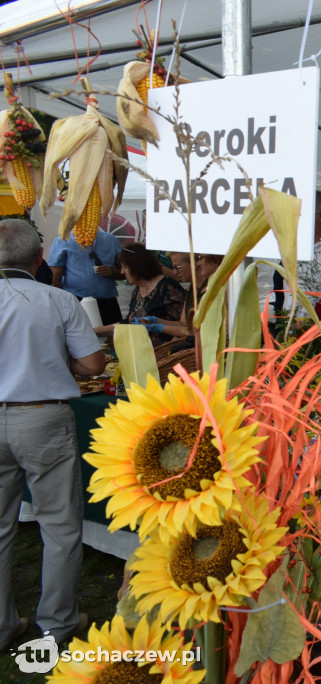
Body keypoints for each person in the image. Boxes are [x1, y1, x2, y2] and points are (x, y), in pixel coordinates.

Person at [0, 218, 103, 649]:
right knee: (59, 525)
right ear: (39, 257)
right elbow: (94, 366)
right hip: (42, 416)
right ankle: (55, 625)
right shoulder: (58, 300)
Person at [94, 242, 185, 344]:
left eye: (125, 267)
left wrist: (158, 324)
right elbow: (128, 323)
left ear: (136, 266)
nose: (122, 272)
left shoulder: (167, 287)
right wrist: (94, 331)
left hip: (167, 353)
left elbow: (184, 326)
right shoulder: (138, 290)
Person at [138, 252, 221, 341]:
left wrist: (160, 327)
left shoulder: (211, 288)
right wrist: (156, 320)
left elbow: (197, 330)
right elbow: (183, 324)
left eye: (178, 267)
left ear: (194, 263)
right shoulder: (190, 288)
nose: (175, 272)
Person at [49, 228, 123, 325]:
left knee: (113, 337)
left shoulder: (111, 240)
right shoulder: (63, 241)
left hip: (107, 303)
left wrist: (112, 272)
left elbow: (125, 273)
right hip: (76, 302)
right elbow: (55, 280)